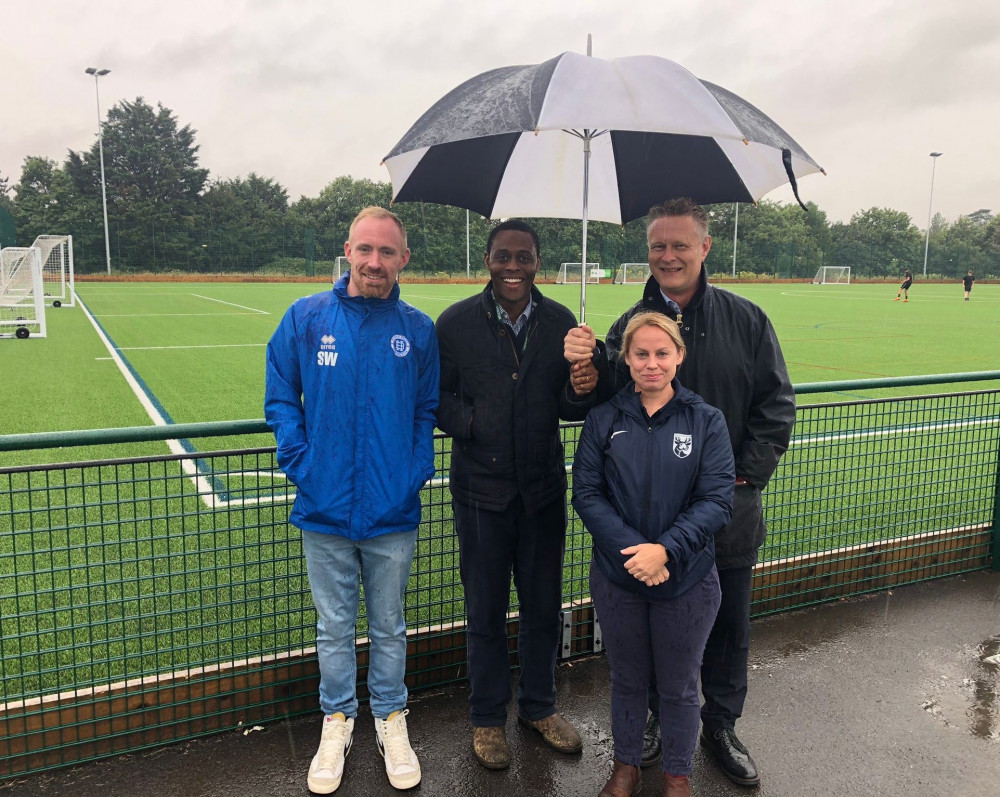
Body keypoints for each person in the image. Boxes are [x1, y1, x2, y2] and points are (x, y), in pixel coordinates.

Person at [564, 197, 795, 788]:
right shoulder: (625, 328)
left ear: (704, 247)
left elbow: (776, 408)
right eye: (658, 247)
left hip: (724, 513)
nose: (668, 256)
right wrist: (584, 375)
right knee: (643, 637)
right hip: (642, 529)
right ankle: (644, 727)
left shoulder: (747, 321)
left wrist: (742, 481)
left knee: (727, 629)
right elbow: (603, 413)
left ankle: (718, 726)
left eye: (679, 245)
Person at [264, 207, 439, 794]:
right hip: (325, 505)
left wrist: (414, 472)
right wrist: (301, 463)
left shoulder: (417, 329)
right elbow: (281, 397)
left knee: (389, 625)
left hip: (393, 510)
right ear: (347, 251)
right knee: (334, 625)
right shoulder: (307, 317)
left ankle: (391, 717)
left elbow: (424, 411)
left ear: (403, 259)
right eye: (365, 250)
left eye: (387, 252)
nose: (374, 262)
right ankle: (336, 719)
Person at [435, 219, 599, 771]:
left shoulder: (562, 325)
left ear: (537, 263)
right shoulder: (456, 323)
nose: (512, 267)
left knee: (543, 608)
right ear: (487, 259)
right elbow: (437, 400)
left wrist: (585, 383)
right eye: (503, 256)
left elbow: (568, 407)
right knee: (484, 610)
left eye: (523, 257)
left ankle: (538, 707)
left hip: (542, 491)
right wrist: (476, 421)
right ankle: (486, 718)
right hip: (481, 492)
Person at [573, 312, 734, 797]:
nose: (651, 363)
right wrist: (634, 555)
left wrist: (665, 550)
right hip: (619, 578)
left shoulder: (706, 419)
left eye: (662, 353)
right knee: (625, 677)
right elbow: (587, 493)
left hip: (686, 580)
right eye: (640, 354)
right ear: (626, 359)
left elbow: (717, 499)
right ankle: (626, 768)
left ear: (679, 356)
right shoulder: (604, 418)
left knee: (680, 685)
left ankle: (677, 775)